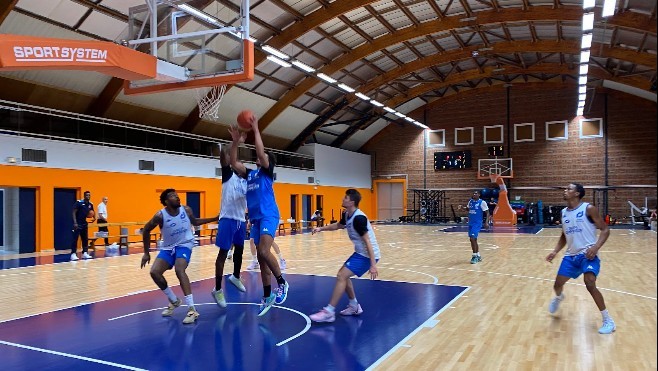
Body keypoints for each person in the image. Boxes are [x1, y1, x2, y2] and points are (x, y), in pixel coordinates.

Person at [228, 115, 288, 317]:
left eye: (265, 159)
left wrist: (255, 129)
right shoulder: (251, 174)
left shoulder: (266, 173)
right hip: (255, 219)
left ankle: (282, 282)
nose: (261, 158)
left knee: (263, 251)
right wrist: (236, 142)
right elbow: (233, 161)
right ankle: (268, 294)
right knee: (262, 259)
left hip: (269, 215)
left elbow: (261, 153)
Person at [140, 189, 218, 324]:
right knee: (154, 272)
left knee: (179, 269)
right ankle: (174, 300)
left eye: (177, 195)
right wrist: (146, 253)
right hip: (168, 247)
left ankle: (192, 309)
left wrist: (214, 218)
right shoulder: (160, 216)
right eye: (173, 196)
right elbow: (146, 229)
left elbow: (195, 222)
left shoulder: (186, 210)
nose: (177, 197)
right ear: (166, 201)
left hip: (185, 244)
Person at [545, 183, 615, 334]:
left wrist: (595, 247)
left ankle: (608, 320)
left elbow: (605, 229)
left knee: (590, 282)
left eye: (569, 189)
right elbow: (564, 234)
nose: (565, 190)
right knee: (557, 285)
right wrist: (555, 251)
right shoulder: (563, 212)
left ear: (577, 194)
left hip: (588, 254)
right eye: (565, 188)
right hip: (570, 256)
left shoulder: (589, 209)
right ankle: (559, 297)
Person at [309, 189, 380, 323]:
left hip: (367, 255)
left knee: (342, 276)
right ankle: (354, 306)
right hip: (360, 253)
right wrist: (320, 228)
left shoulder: (359, 218)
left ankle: (329, 312)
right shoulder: (347, 214)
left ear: (351, 202)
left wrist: (373, 265)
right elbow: (338, 225)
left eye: (345, 198)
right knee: (343, 275)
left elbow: (368, 242)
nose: (343, 199)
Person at [212, 145, 249, 308]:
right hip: (227, 218)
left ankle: (235, 276)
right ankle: (218, 289)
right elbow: (224, 161)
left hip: (240, 220)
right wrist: (231, 146)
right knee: (223, 253)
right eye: (237, 163)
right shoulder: (228, 176)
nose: (239, 166)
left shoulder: (247, 182)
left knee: (240, 250)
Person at [465, 190, 489, 264]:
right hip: (471, 223)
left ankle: (474, 256)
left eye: (476, 193)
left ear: (479, 195)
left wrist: (486, 222)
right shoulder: (470, 202)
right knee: (473, 239)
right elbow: (468, 209)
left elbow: (487, 213)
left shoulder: (482, 202)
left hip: (477, 223)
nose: (474, 194)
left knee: (472, 238)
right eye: (473, 193)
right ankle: (478, 255)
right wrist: (462, 208)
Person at [71, 190, 94, 261]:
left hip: (84, 223)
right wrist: (75, 222)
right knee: (75, 239)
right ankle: (73, 254)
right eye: (87, 195)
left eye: (89, 195)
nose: (88, 196)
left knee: (85, 239)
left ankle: (85, 253)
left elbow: (92, 211)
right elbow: (73, 212)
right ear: (84, 196)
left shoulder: (90, 204)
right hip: (78, 223)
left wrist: (94, 217)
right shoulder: (79, 203)